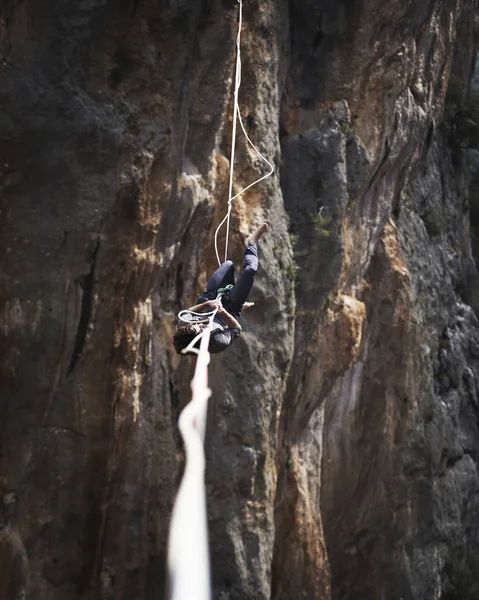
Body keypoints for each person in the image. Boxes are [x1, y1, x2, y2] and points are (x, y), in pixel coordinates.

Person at [173, 223, 269, 354]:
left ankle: (236, 294)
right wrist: (223, 311)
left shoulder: (184, 325)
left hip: (210, 298)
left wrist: (208, 303)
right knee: (249, 270)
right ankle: (251, 242)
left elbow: (189, 311)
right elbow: (236, 329)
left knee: (228, 265)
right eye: (200, 330)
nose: (201, 326)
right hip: (230, 308)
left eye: (196, 325)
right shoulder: (216, 343)